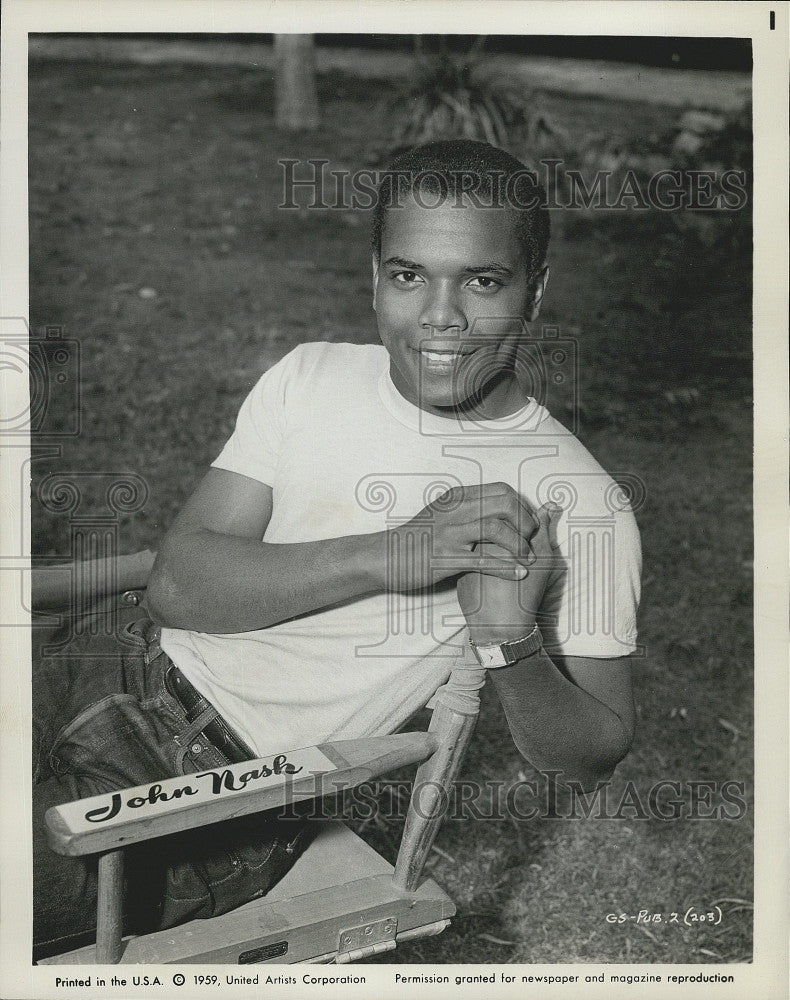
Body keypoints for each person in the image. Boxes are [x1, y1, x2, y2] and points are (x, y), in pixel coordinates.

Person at [32, 139, 641, 957]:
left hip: (204, 792)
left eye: (483, 282)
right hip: (101, 660)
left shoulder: (579, 497)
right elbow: (179, 582)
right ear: (375, 277)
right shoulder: (309, 374)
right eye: (408, 275)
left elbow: (591, 754)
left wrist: (510, 645)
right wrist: (391, 554)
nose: (440, 317)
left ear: (536, 292)